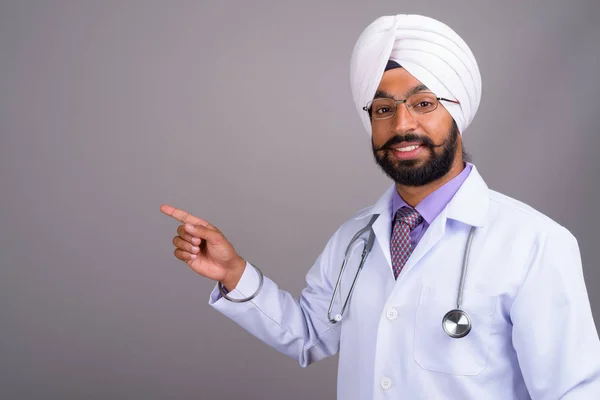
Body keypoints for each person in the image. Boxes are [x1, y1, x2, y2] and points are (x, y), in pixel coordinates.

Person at [160, 14, 600, 399]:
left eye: (424, 103)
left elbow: (573, 391)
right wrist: (233, 273)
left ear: (457, 112)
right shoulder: (354, 238)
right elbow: (309, 336)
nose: (402, 124)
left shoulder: (535, 243)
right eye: (383, 108)